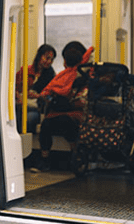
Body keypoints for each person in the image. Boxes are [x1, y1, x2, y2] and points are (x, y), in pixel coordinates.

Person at [31, 41, 93, 173]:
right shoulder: (66, 75)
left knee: (66, 122)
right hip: (60, 109)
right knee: (46, 124)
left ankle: (75, 156)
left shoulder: (84, 75)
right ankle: (45, 159)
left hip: (76, 110)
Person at [15, 44, 56, 134]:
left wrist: (38, 96)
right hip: (19, 104)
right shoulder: (25, 71)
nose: (49, 62)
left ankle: (26, 146)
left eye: (51, 60)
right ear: (39, 56)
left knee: (28, 119)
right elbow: (12, 88)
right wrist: (17, 95)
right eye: (47, 58)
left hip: (35, 108)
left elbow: (50, 96)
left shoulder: (51, 76)